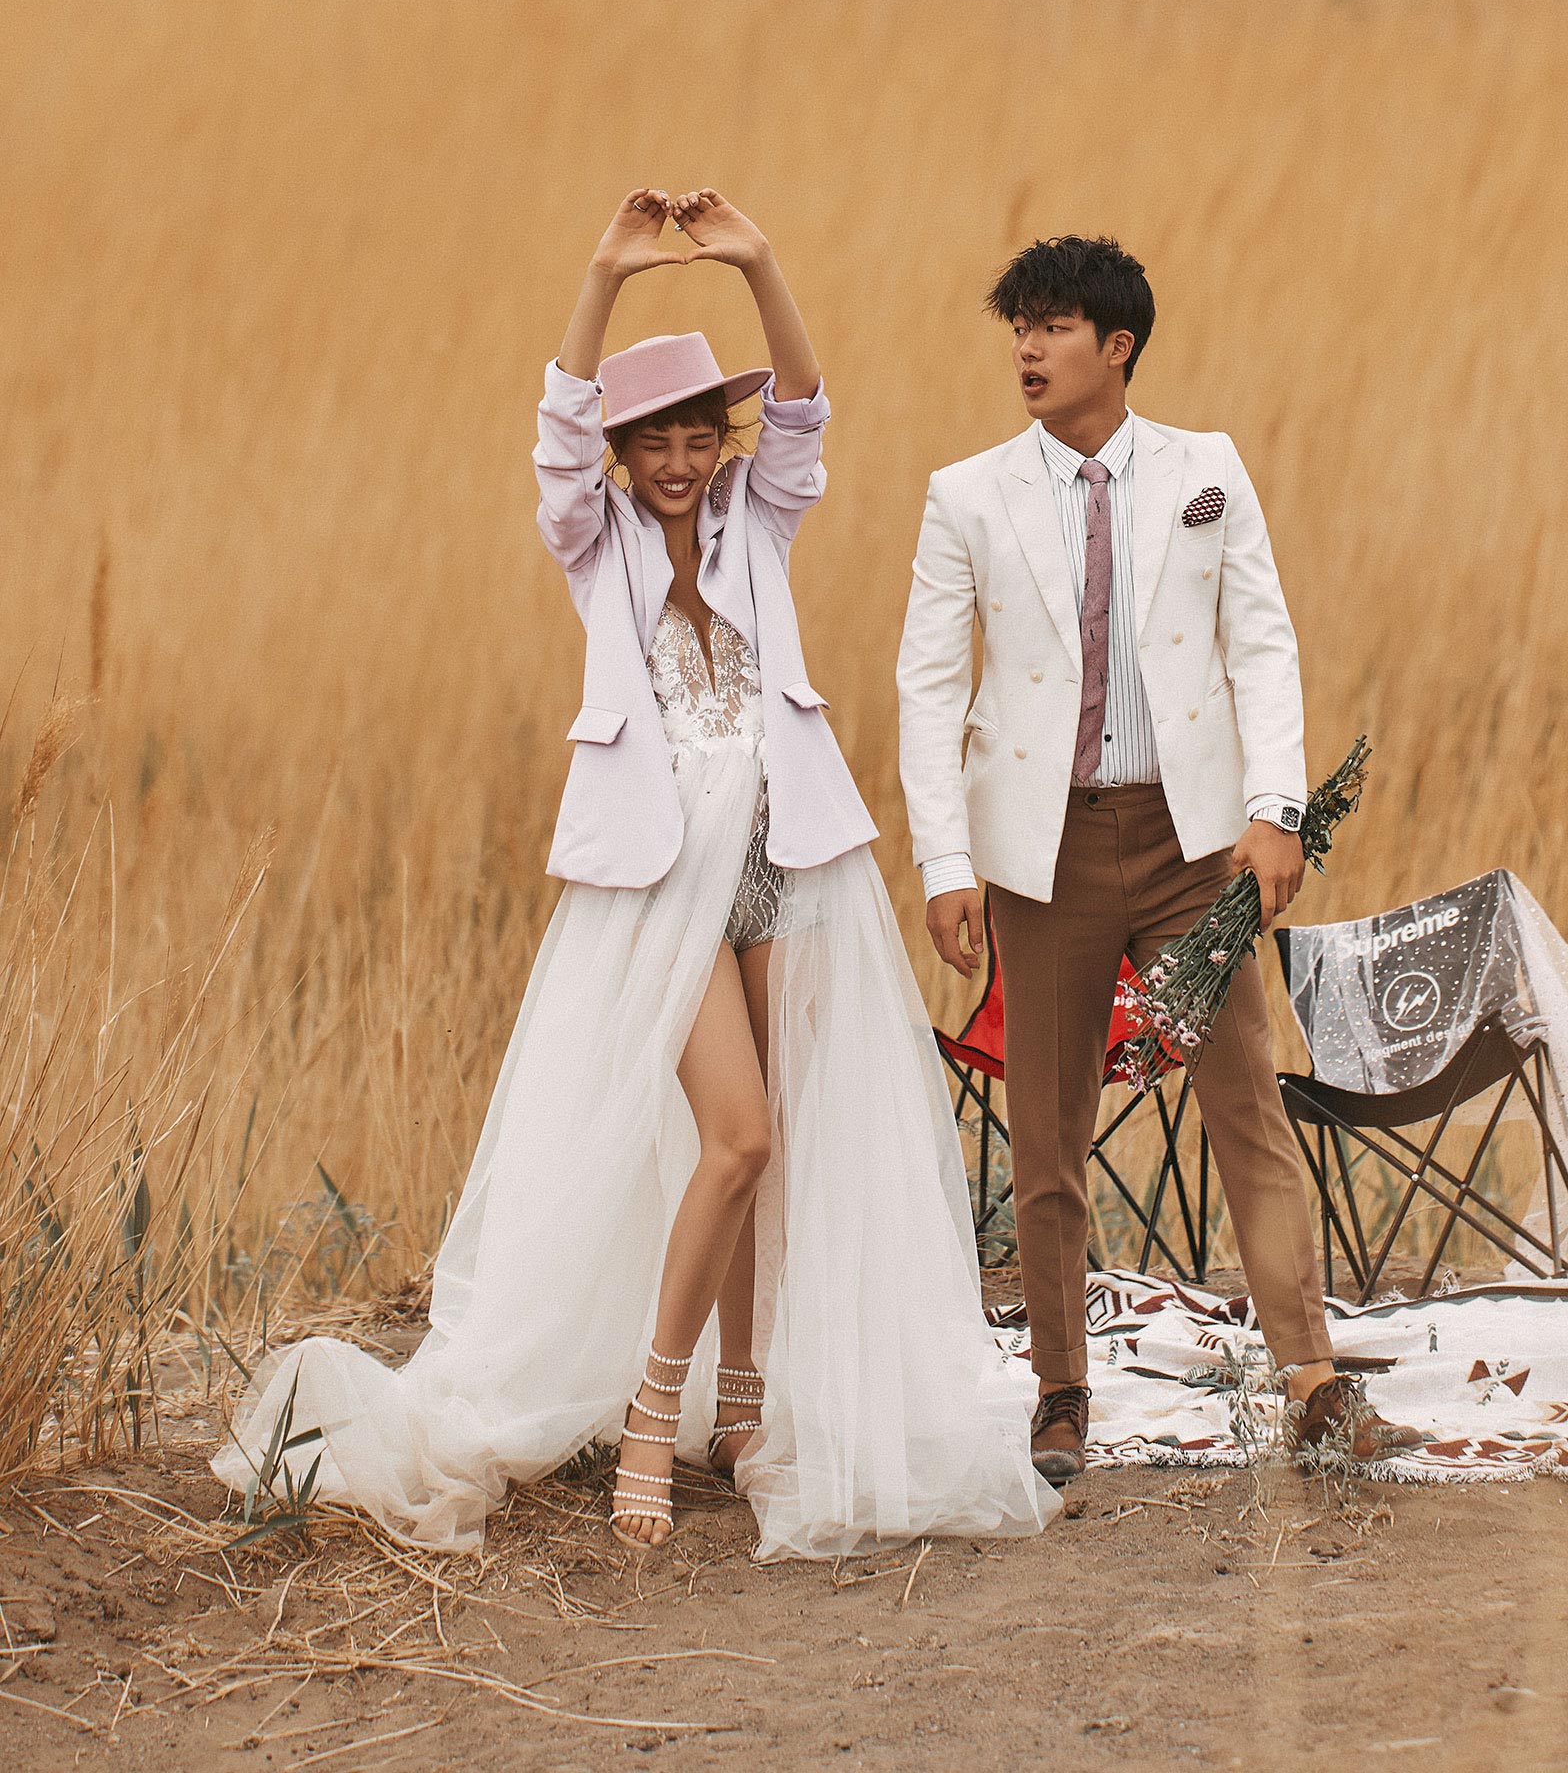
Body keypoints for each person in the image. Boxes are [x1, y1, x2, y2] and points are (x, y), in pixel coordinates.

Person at [215, 189, 1053, 1559]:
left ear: (720, 441)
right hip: (662, 879)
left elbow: (805, 410)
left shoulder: (757, 523)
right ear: (621, 451)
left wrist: (757, 260)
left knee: (789, 1143)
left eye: (694, 436)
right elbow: (555, 436)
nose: (674, 461)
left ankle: (745, 1401)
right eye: (650, 440)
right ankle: (654, 1413)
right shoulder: (592, 539)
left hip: (791, 857)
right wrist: (606, 273)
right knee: (740, 1137)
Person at [896, 232, 1344, 1483]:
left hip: (1189, 843)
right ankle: (1059, 1390)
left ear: (1117, 346)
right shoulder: (966, 495)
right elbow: (926, 687)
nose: (1027, 350)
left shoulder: (1205, 470)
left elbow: (1261, 642)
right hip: (1040, 853)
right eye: (1018, 328)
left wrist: (1276, 809)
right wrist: (944, 861)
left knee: (1243, 1101)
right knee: (1045, 1130)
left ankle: (1309, 1375)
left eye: (1051, 327)